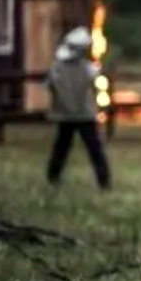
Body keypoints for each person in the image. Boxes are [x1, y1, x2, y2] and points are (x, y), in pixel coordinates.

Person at [45, 26, 111, 190]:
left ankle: (53, 177)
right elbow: (98, 85)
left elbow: (50, 86)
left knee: (61, 148)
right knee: (94, 150)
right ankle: (104, 182)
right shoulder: (88, 69)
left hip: (65, 114)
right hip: (85, 115)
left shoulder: (57, 68)